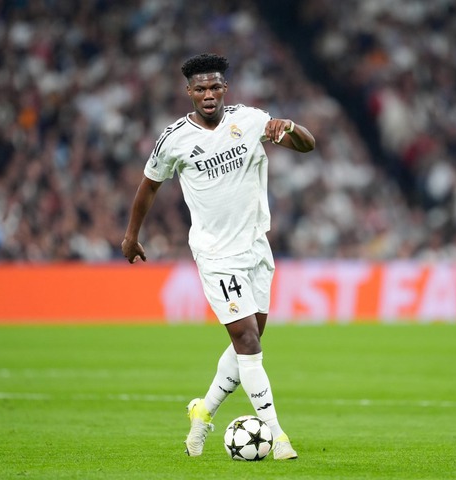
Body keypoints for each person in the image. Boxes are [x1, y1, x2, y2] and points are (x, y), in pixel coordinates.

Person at [121, 53, 315, 460]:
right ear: (188, 92)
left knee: (254, 335)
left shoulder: (249, 120)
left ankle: (203, 409)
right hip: (215, 255)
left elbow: (307, 145)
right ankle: (278, 436)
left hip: (256, 247)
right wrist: (131, 236)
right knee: (246, 339)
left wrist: (289, 128)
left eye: (214, 87)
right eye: (200, 89)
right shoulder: (174, 139)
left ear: (224, 89)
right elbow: (149, 186)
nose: (208, 95)